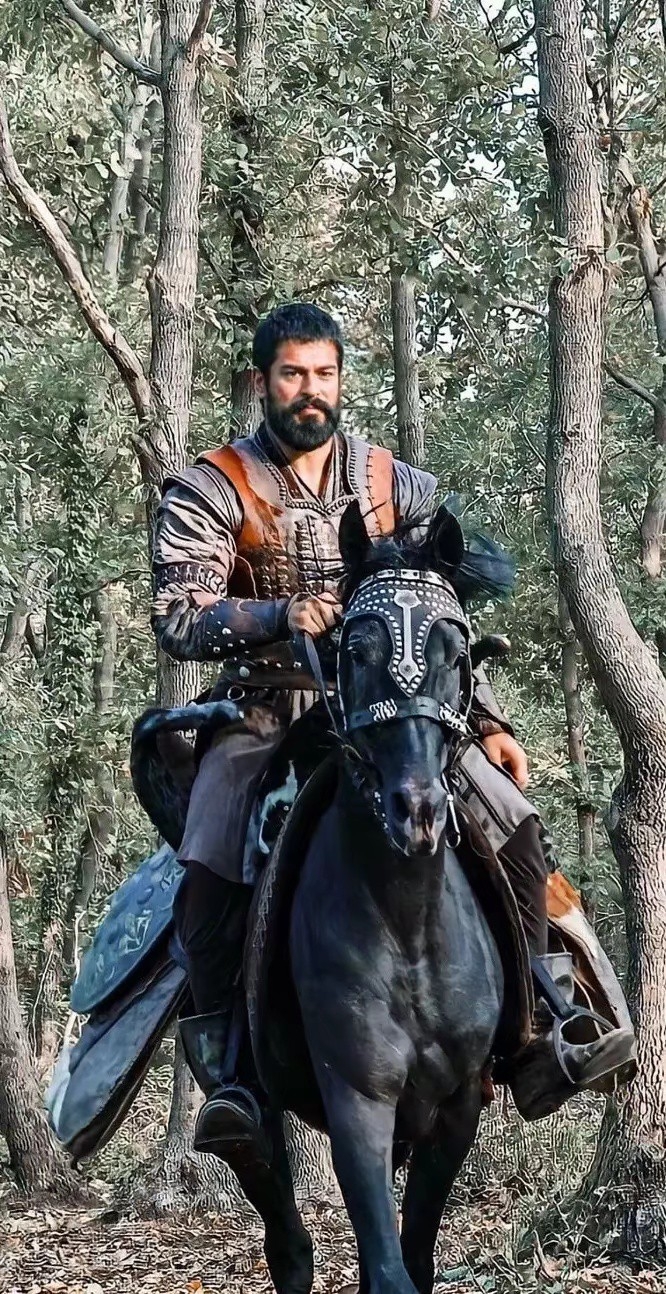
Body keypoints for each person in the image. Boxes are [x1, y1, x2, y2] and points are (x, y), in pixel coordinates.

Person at [151, 303, 634, 1154]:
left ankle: (539, 1027)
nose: (310, 390)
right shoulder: (212, 484)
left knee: (515, 823)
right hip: (268, 707)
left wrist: (487, 720)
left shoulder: (394, 484)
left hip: (401, 711)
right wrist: (277, 612)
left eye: (324, 374)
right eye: (293, 375)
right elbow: (178, 616)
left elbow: (444, 619)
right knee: (209, 859)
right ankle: (233, 1074)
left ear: (341, 380)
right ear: (262, 382)